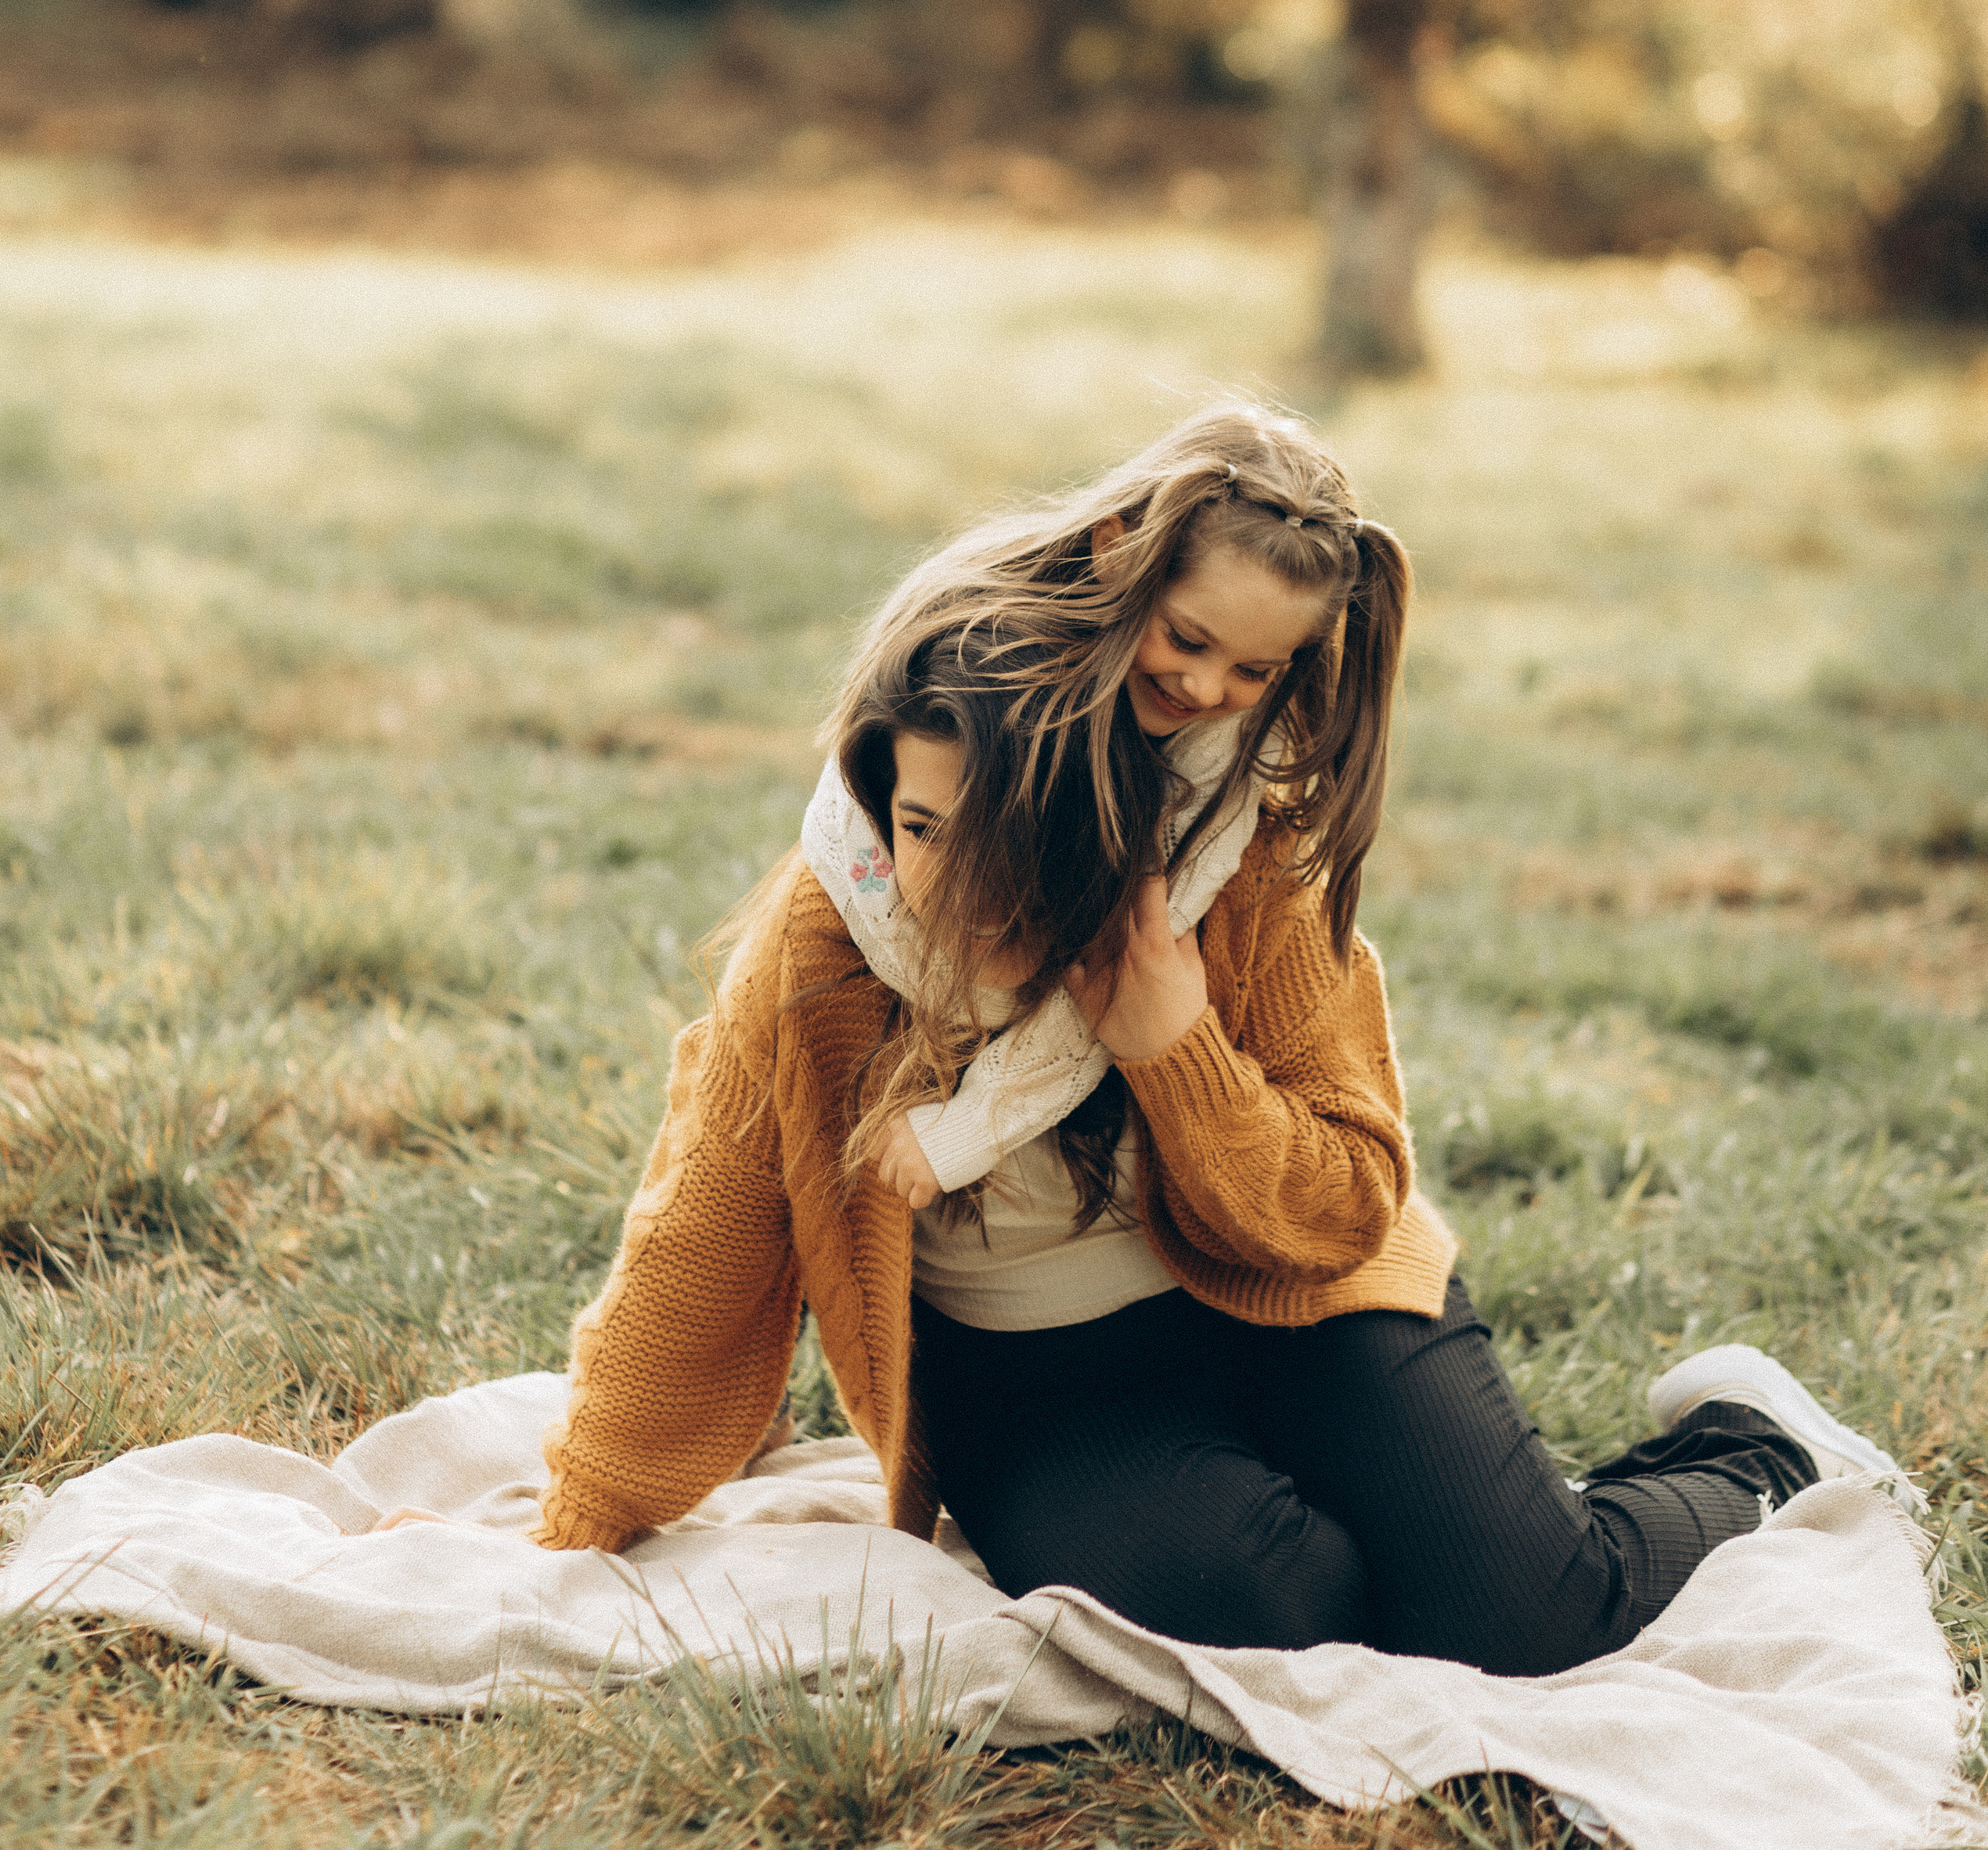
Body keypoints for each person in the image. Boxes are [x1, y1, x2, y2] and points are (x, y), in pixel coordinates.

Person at [533, 405, 1921, 1671]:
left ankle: (1751, 1451)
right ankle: (1364, 1513)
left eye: (1249, 666)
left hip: (1294, 1296)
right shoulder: (829, 933)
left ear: (1102, 811)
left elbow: (1345, 1203)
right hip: (1039, 1377)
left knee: (1529, 1623)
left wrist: (1175, 1047)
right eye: (920, 827)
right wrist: (587, 1509)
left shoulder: (1238, 866)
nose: (949, 886)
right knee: (1278, 1608)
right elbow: (702, 1226)